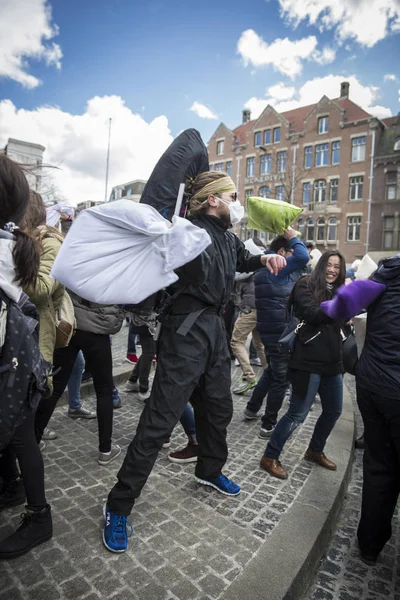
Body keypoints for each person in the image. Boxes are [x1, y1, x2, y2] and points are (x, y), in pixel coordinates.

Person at [103, 170, 286, 553]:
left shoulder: (228, 237)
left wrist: (265, 256)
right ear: (213, 200)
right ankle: (118, 505)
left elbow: (243, 258)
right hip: (185, 331)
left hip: (217, 331)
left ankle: (209, 471)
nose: (238, 202)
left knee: (218, 409)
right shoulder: (186, 232)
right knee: (159, 419)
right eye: (232, 195)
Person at [0, 155, 52, 558]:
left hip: (18, 361)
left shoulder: (14, 247)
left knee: (23, 438)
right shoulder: (16, 245)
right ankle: (19, 493)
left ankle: (38, 515)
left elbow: (50, 287)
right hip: (20, 360)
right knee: (21, 439)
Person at [260, 250, 346, 480]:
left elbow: (342, 321)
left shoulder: (339, 290)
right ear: (321, 265)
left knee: (334, 411)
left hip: (332, 362)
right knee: (297, 414)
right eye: (329, 264)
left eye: (337, 267)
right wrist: (343, 304)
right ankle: (270, 456)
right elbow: (313, 313)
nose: (332, 270)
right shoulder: (305, 284)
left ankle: (315, 450)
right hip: (307, 360)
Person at [34, 293, 124, 465]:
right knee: (104, 391)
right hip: (97, 329)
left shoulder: (75, 265)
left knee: (56, 387)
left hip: (71, 325)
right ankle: (105, 450)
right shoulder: (109, 269)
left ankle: (33, 440)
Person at [355, 252, 400, 566]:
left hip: (371, 383)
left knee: (378, 466)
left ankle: (369, 545)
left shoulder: (383, 273)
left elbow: (342, 306)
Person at [244, 231, 309, 438]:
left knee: (272, 372)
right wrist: (292, 236)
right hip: (280, 334)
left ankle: (251, 408)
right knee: (281, 379)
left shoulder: (264, 268)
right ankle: (268, 424)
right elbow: (303, 257)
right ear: (281, 252)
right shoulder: (276, 267)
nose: (292, 256)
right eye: (289, 251)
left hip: (270, 331)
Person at [231, 238, 268, 394]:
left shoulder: (249, 270)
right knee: (259, 345)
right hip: (262, 309)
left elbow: (234, 276)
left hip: (250, 309)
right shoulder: (265, 266)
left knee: (236, 341)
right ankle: (271, 375)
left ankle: (249, 377)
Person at [124, 324, 156, 401]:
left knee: (148, 352)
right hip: (148, 321)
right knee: (149, 352)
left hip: (146, 321)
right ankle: (143, 389)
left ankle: (133, 381)